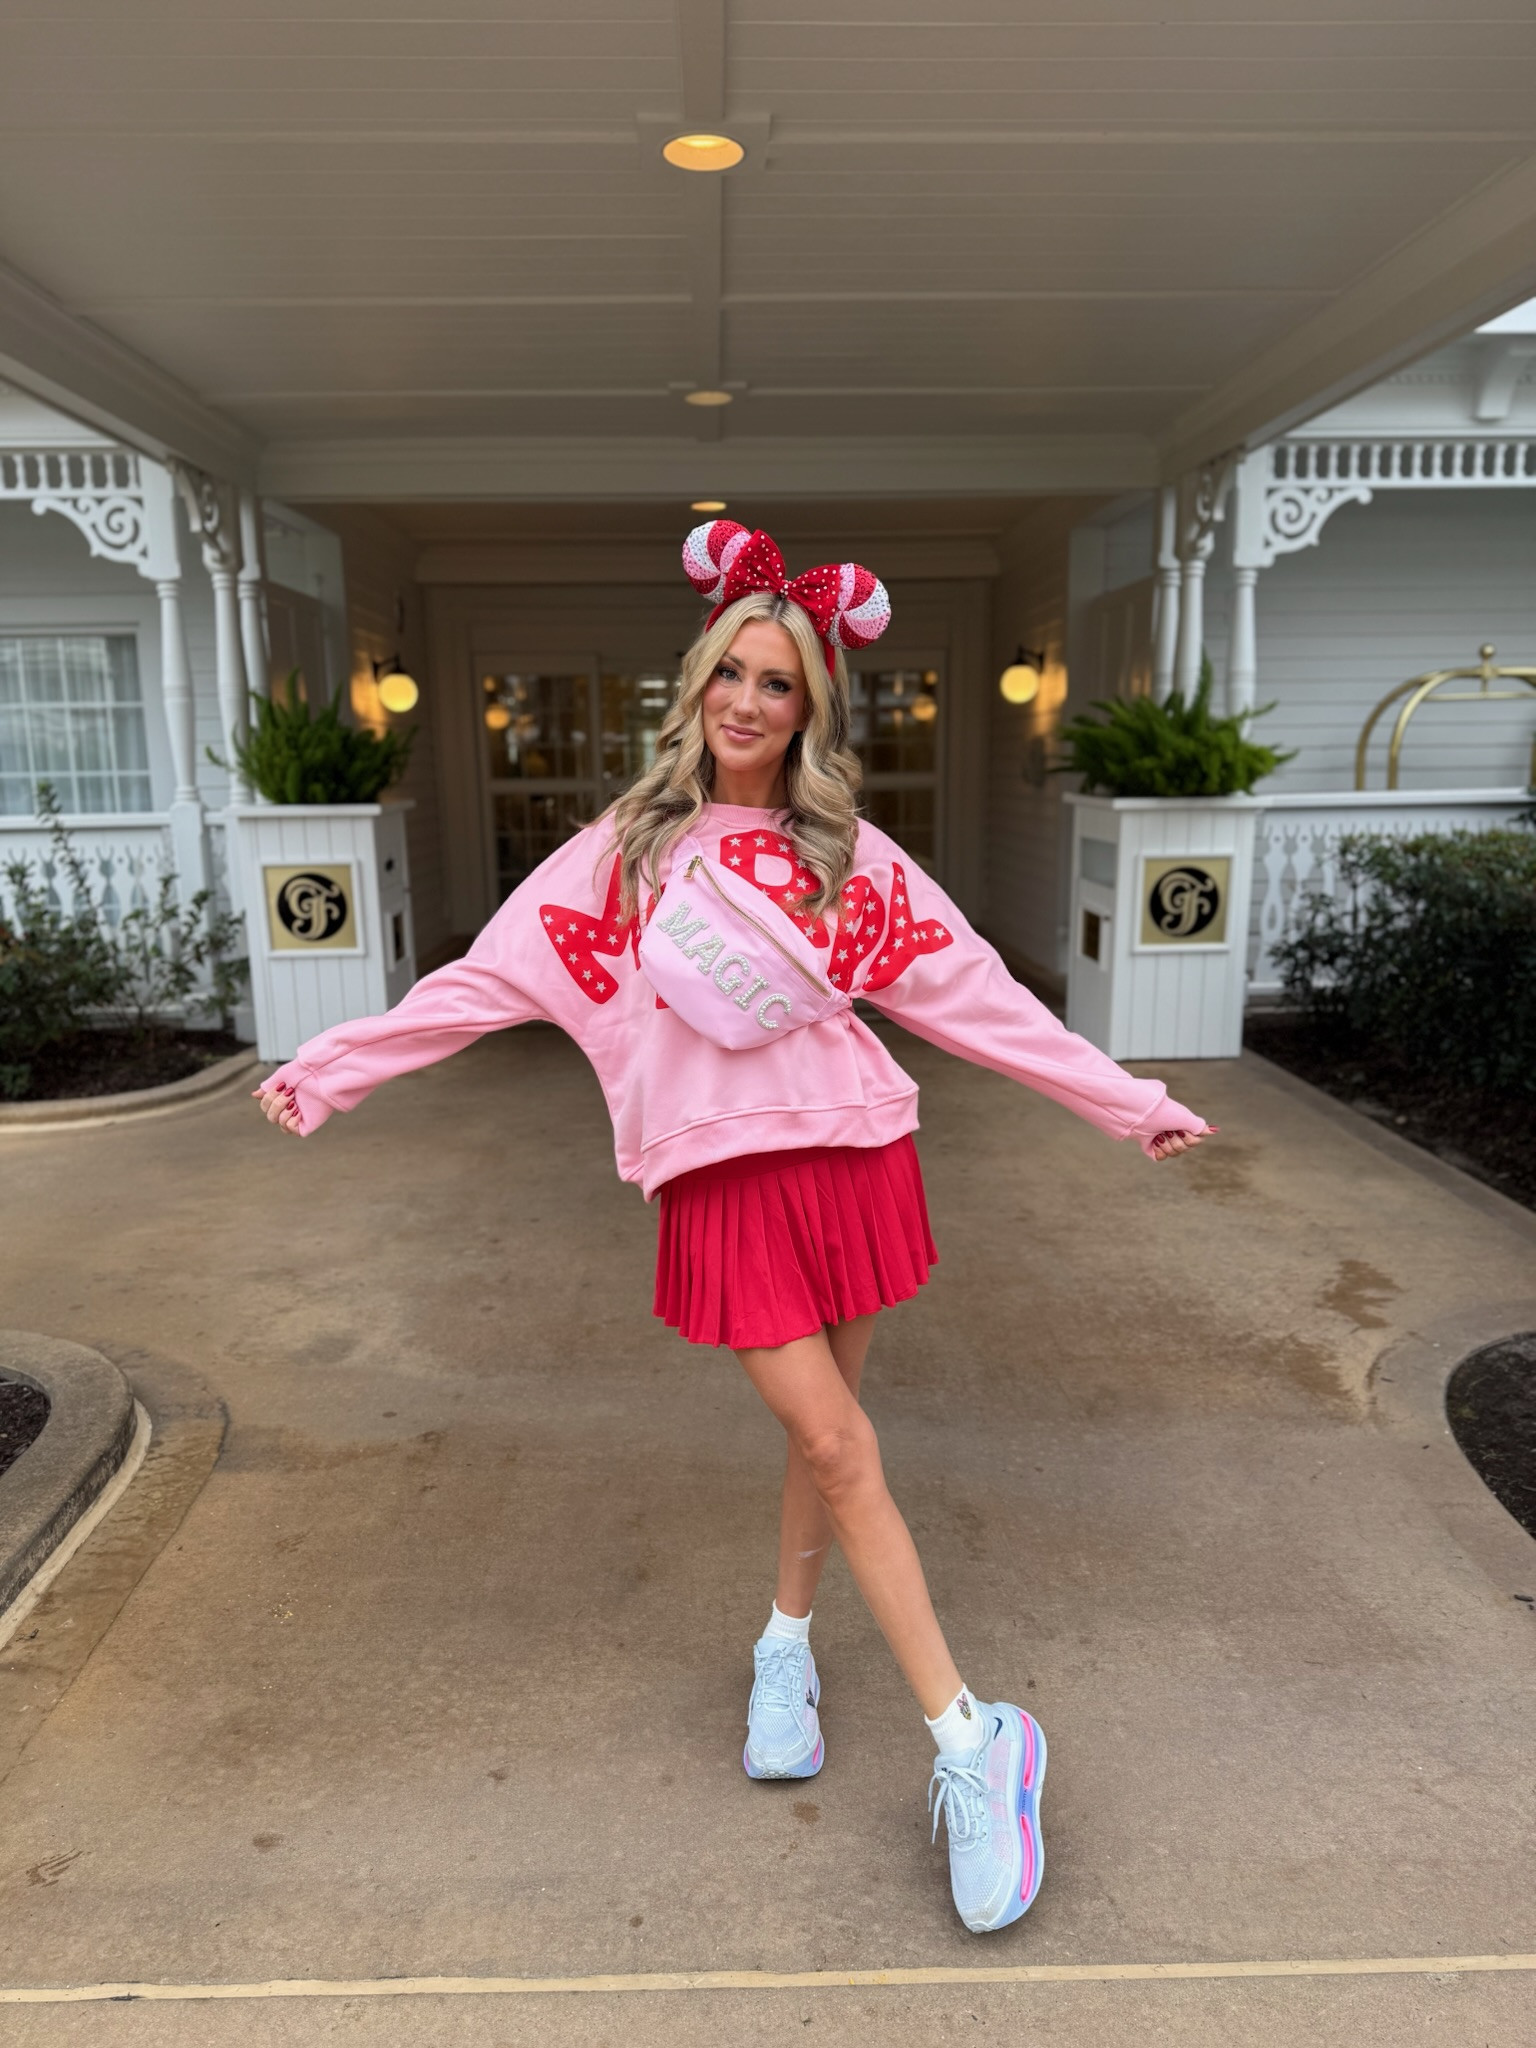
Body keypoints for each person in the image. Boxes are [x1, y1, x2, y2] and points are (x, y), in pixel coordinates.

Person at [256, 521, 1213, 1935]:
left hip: (855, 1159)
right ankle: (978, 1737)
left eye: (782, 685)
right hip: (718, 1181)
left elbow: (981, 1003)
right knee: (832, 1440)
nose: (750, 704)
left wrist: (1124, 1101)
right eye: (733, 676)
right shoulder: (623, 855)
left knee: (827, 1440)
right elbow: (481, 981)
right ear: (697, 685)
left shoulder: (848, 856)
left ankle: (787, 1652)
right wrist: (330, 1069)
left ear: (813, 710)